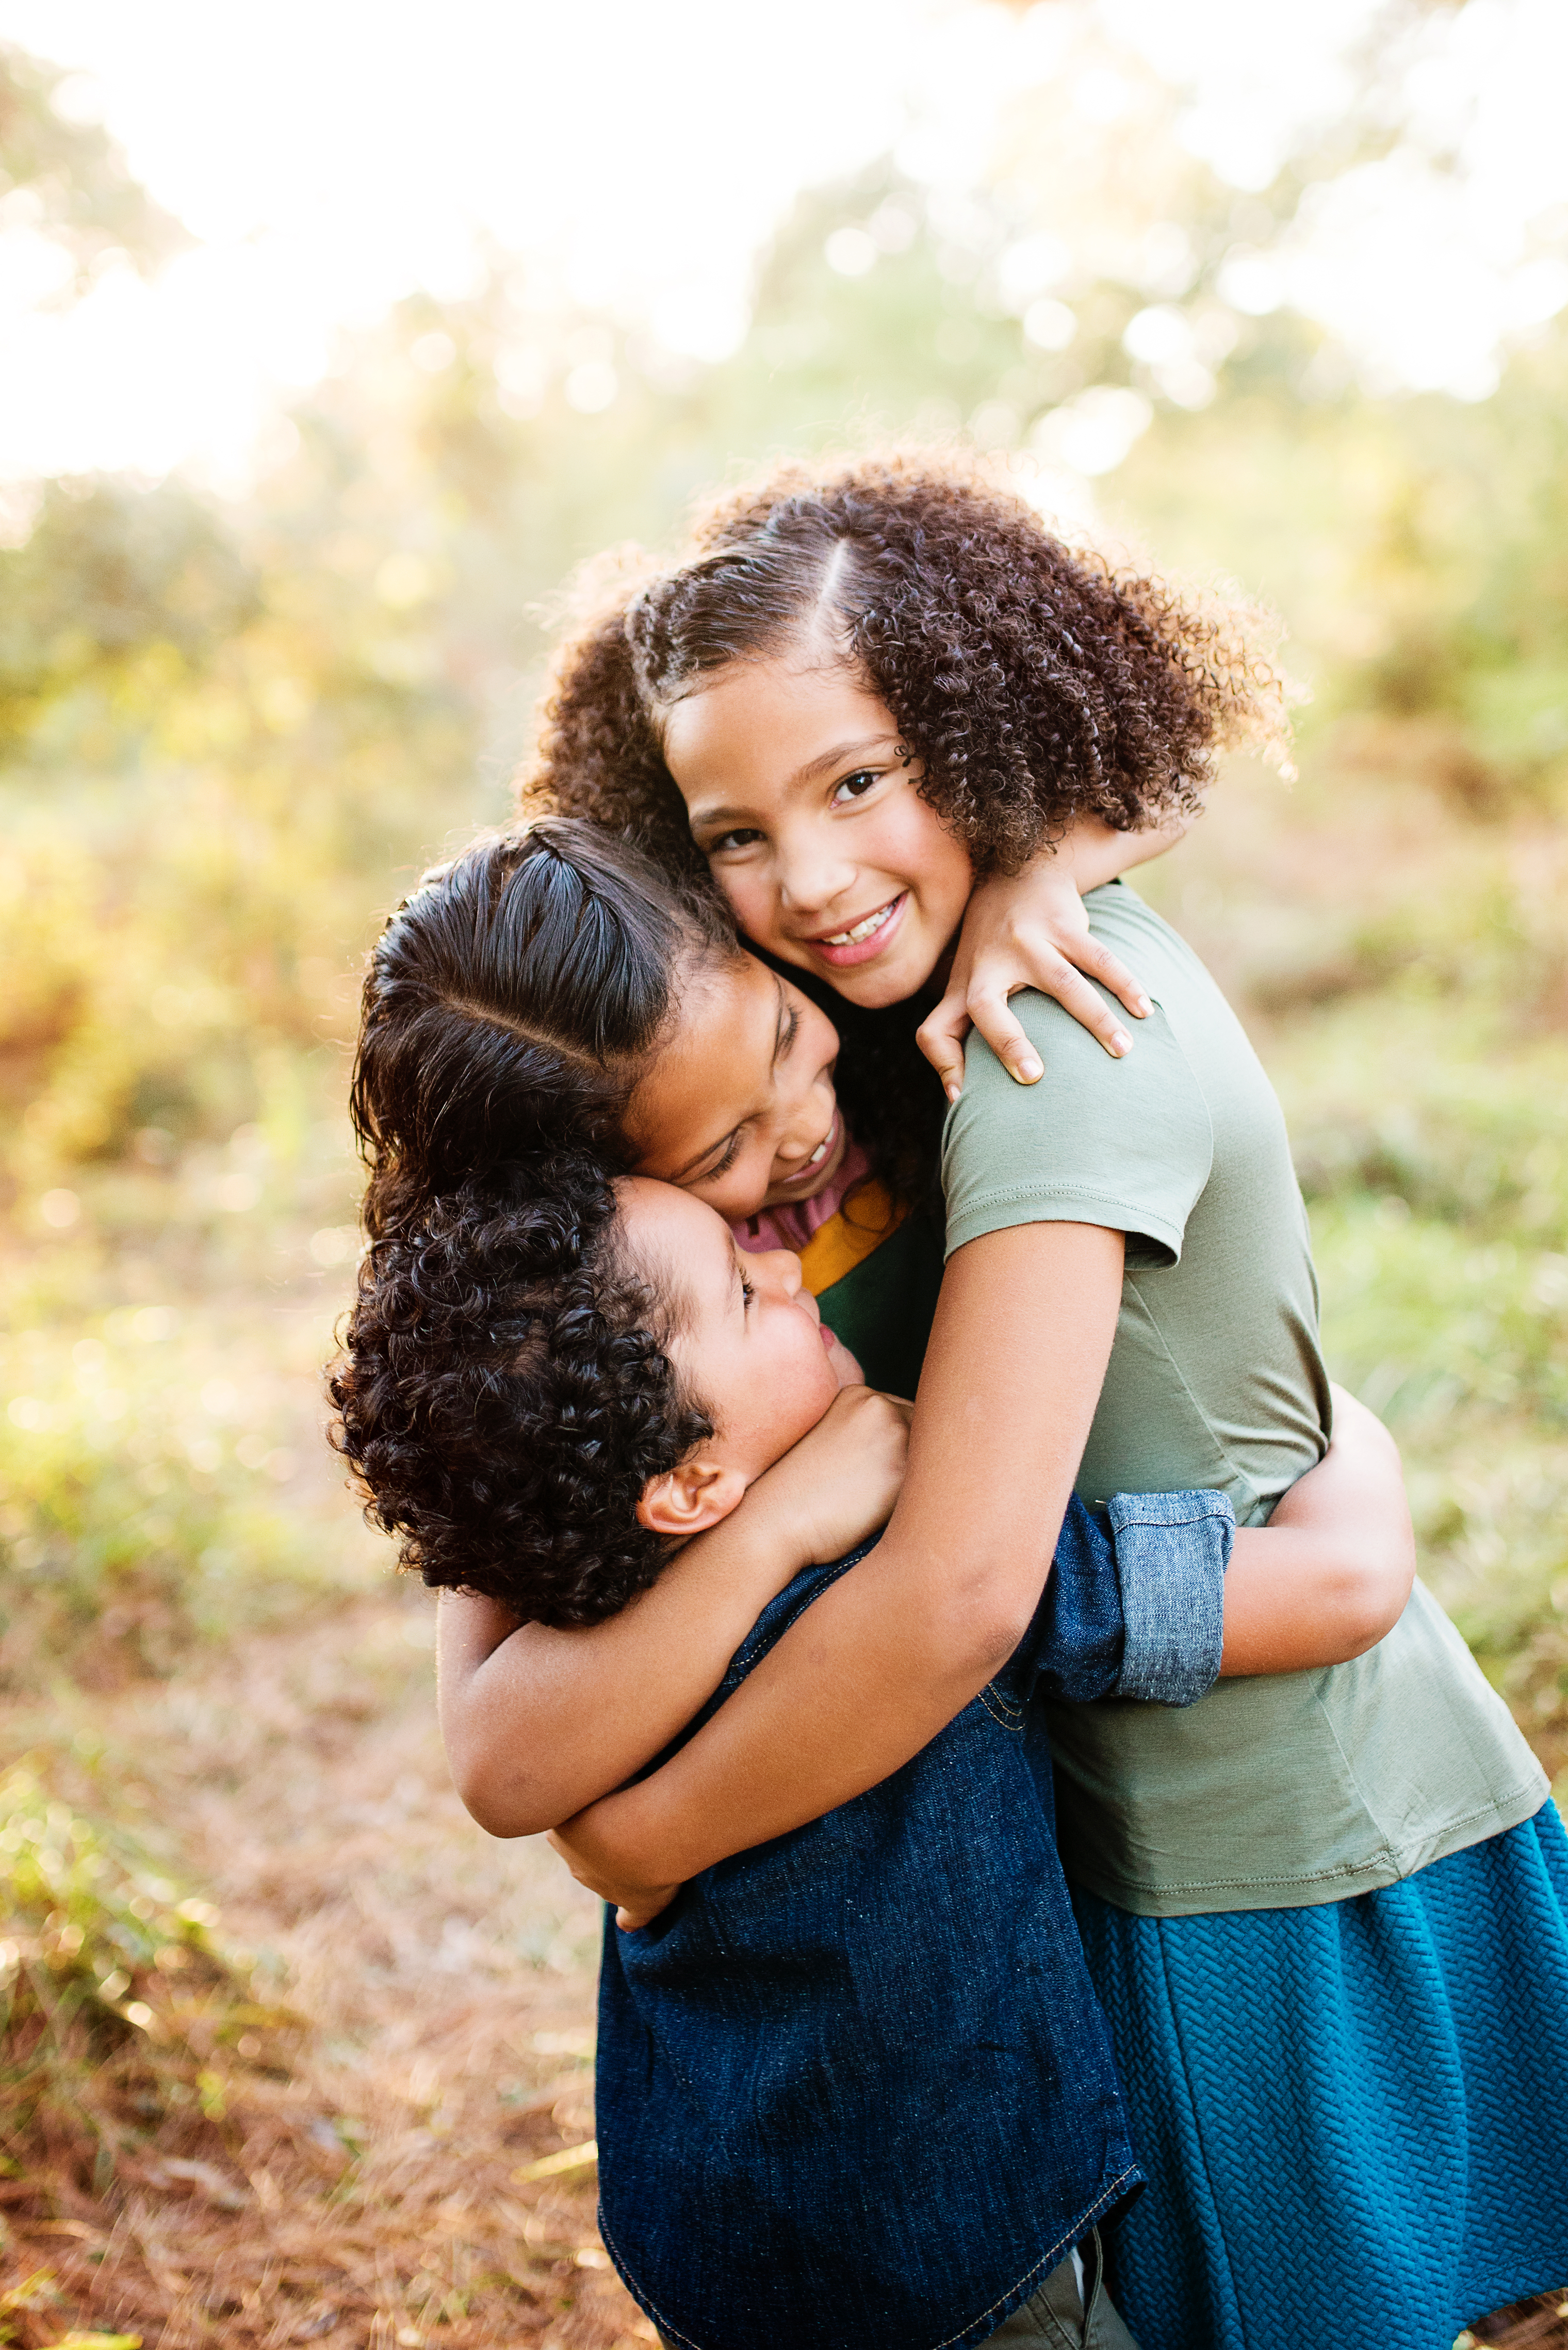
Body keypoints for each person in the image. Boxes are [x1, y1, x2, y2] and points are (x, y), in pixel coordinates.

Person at [524, 449, 1568, 2350]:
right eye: (735, 829)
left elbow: (956, 1594)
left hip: (1244, 1856)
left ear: (975, 718)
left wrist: (649, 1827)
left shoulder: (1045, 1039)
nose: (814, 874)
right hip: (1082, 1829)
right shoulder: (816, 1046)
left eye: (860, 779)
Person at [331, 1150, 1412, 2350]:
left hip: (715, 2237)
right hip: (961, 2252)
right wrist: (1349, 1442)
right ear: (690, 1483)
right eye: (744, 1294)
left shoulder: (576, 1634)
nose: (786, 1263)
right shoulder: (895, 1576)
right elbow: (1310, 1589)